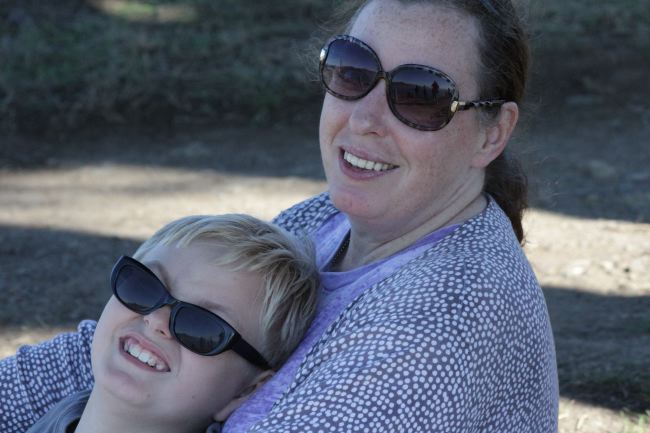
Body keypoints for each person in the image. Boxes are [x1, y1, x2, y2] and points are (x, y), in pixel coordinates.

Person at [1, 0, 559, 432]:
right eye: (353, 70)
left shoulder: (438, 328)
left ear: (492, 133)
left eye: (421, 95)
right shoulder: (326, 223)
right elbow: (94, 355)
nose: (363, 119)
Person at [0, 214, 319, 433]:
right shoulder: (58, 414)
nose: (156, 320)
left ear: (246, 390)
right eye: (145, 287)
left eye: (201, 325)